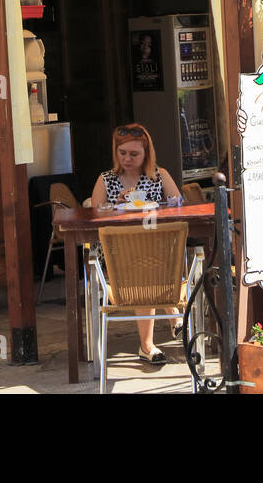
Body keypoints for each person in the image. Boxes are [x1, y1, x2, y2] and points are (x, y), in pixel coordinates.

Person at [89, 123, 181, 364]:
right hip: (116, 253)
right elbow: (95, 214)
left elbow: (178, 203)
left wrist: (160, 205)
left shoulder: (159, 175)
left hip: (154, 251)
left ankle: (148, 344)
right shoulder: (106, 180)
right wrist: (115, 208)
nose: (127, 159)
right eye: (122, 153)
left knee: (149, 264)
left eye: (134, 154)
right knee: (146, 269)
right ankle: (168, 320)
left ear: (146, 154)